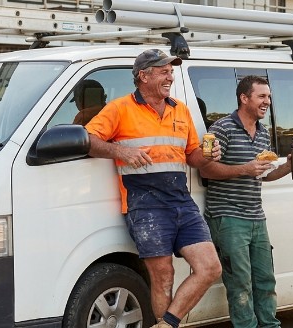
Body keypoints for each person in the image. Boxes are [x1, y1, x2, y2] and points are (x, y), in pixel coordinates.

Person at [85, 48, 223, 328]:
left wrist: (207, 156)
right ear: (143, 76)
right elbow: (87, 140)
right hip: (145, 205)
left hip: (181, 203)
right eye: (163, 71)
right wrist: (120, 152)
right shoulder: (120, 108)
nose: (170, 76)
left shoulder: (180, 109)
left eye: (171, 71)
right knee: (164, 276)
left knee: (210, 268)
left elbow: (192, 156)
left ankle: (167, 324)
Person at [198, 75, 293, 328]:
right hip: (228, 218)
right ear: (244, 98)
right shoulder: (221, 129)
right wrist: (244, 169)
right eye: (262, 97)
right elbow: (205, 170)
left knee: (266, 281)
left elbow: (263, 175)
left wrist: (288, 166)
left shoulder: (263, 132)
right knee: (240, 285)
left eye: (269, 97)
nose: (268, 102)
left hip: (257, 218)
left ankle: (270, 325)